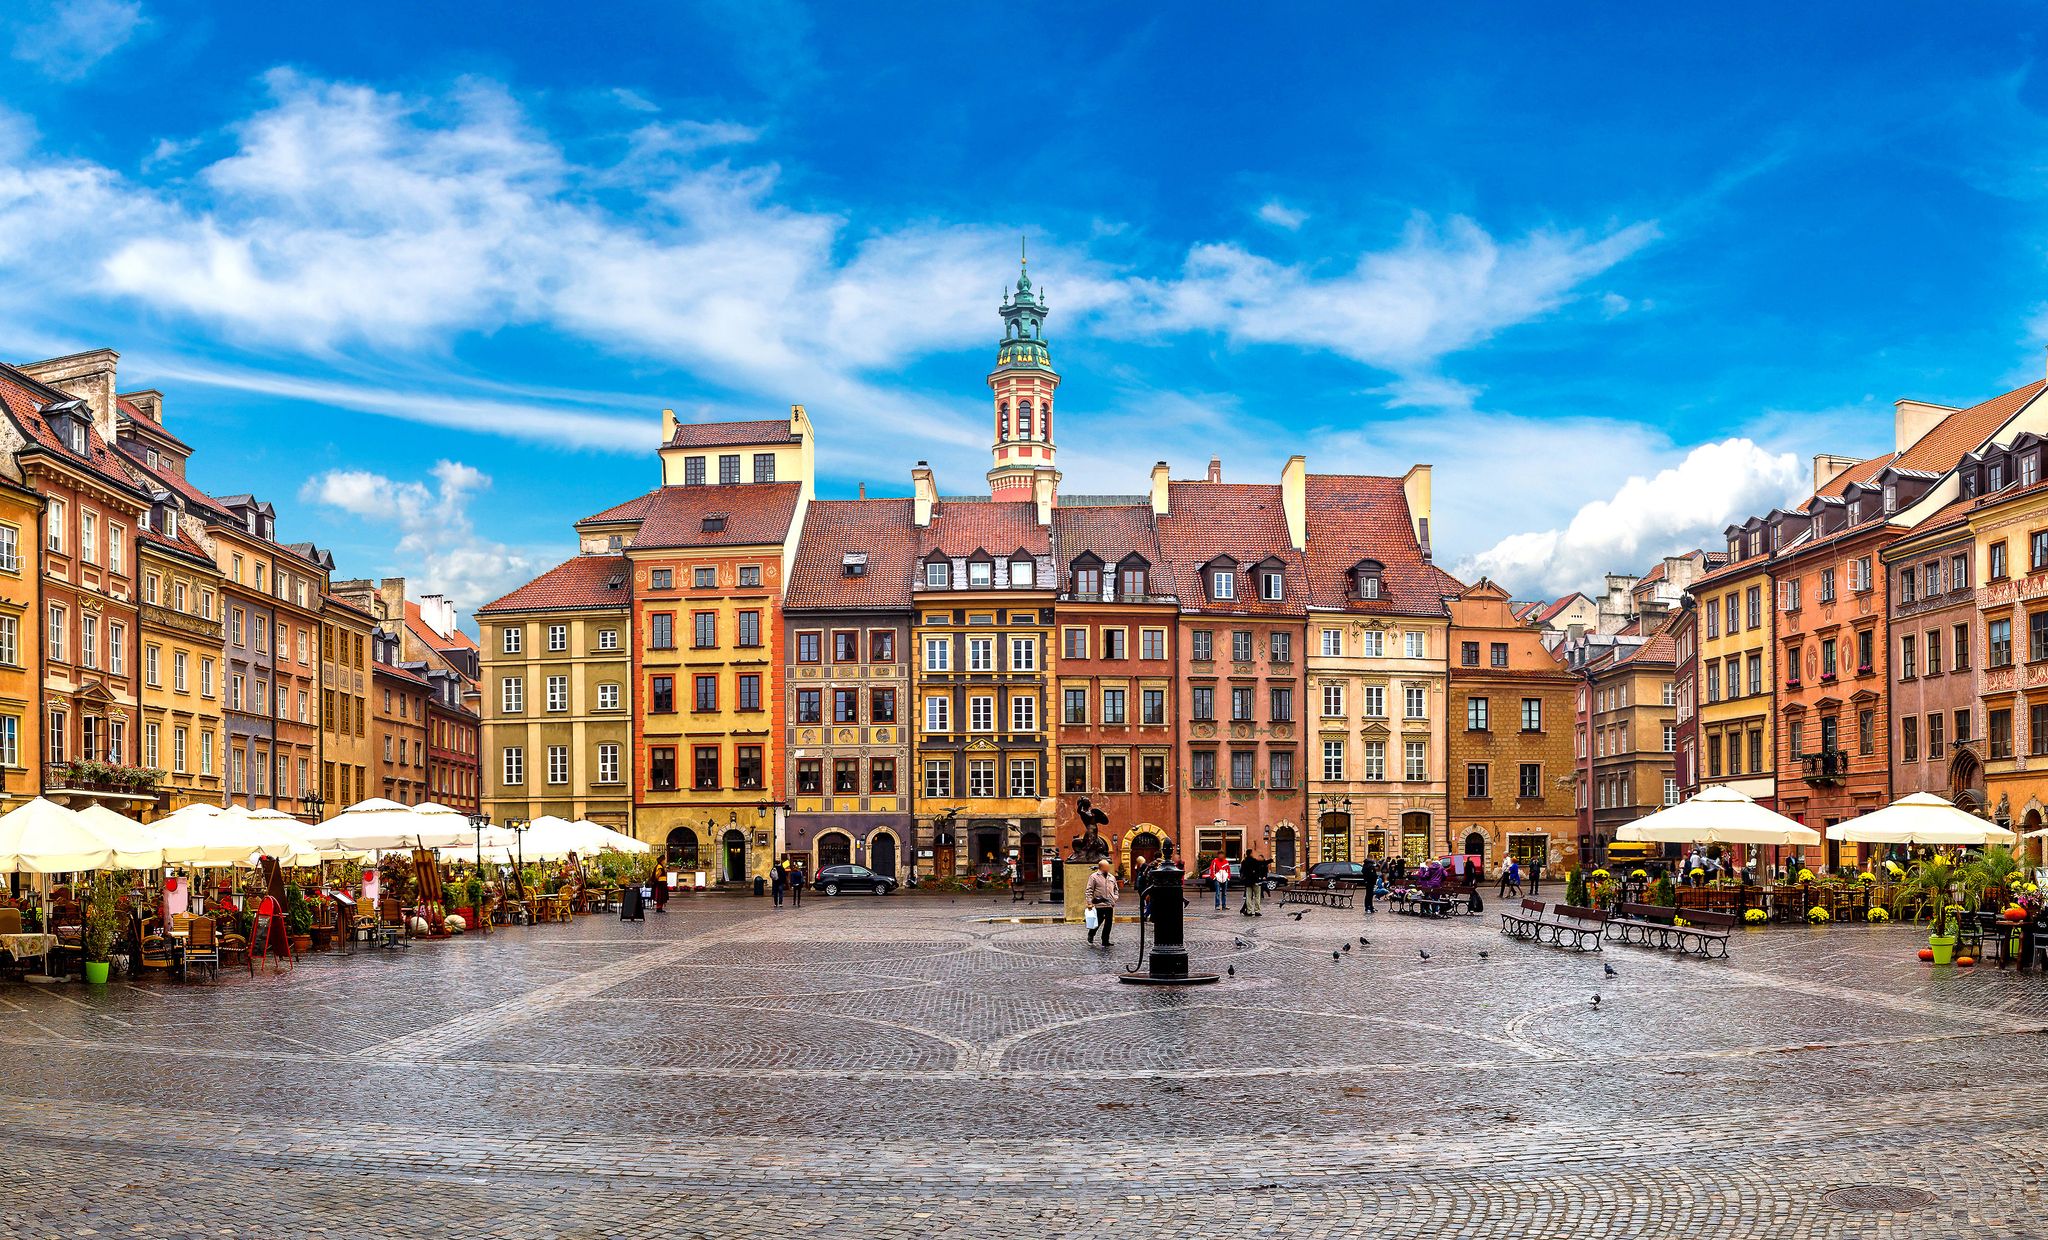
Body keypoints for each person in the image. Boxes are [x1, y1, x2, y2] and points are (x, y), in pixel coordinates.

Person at [1085, 858, 1119, 947]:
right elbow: (1089, 890)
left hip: (1109, 904)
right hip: (1099, 904)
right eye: (1106, 866)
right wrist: (1089, 902)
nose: (1108, 868)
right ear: (1101, 867)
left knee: (1108, 923)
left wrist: (1115, 898)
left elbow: (1116, 889)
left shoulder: (1111, 877)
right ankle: (1091, 934)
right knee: (1098, 922)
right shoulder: (1094, 877)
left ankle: (1105, 940)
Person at [1242, 850, 1269, 917]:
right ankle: (1257, 911)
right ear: (1251, 853)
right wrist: (1271, 860)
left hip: (1248, 881)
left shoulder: (1244, 862)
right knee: (1257, 896)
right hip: (1255, 881)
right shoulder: (1254, 861)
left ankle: (1249, 911)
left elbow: (1242, 871)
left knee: (1248, 897)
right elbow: (1262, 863)